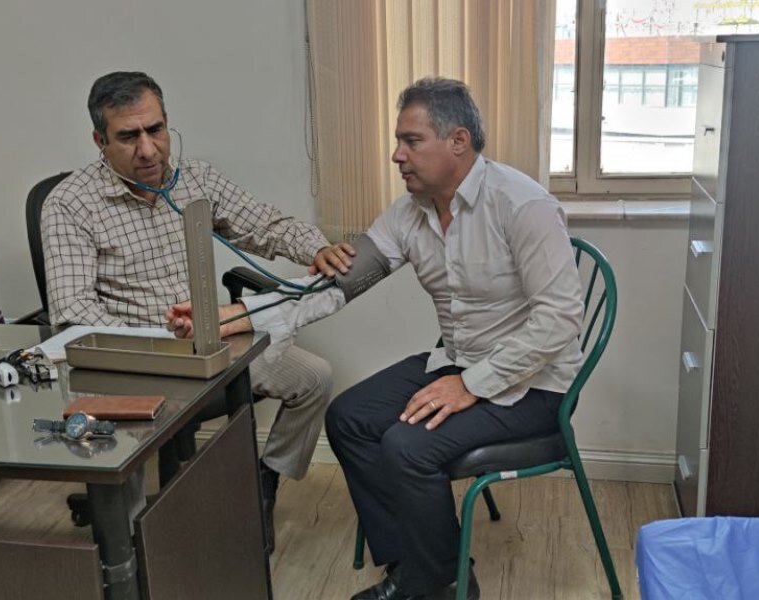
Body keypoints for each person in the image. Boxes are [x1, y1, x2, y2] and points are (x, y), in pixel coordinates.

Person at [167, 77, 584, 600]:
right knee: (349, 418)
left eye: (411, 141)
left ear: (458, 141)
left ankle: (444, 584)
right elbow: (335, 286)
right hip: (460, 363)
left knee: (408, 446)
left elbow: (559, 319)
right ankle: (415, 569)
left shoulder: (523, 206)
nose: (396, 155)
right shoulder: (410, 213)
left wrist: (471, 385)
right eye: (398, 141)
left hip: (534, 385)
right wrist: (236, 315)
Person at [41, 71, 355, 553]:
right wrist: (156, 347)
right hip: (136, 361)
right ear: (100, 141)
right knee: (127, 499)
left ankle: (263, 481)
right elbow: (73, 311)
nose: (149, 150)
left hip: (209, 342)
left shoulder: (196, 179)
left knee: (314, 379)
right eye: (128, 136)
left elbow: (266, 225)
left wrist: (317, 247)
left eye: (156, 130)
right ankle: (131, 551)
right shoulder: (69, 205)